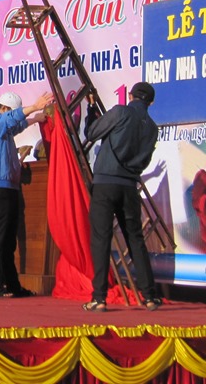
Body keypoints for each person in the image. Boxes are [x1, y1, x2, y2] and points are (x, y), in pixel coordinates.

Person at [83, 81, 162, 312]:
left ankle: (99, 298)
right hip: (129, 186)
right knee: (135, 239)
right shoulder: (152, 128)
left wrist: (91, 110)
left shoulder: (120, 112)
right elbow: (145, 161)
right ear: (151, 102)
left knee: (101, 238)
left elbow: (91, 133)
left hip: (105, 182)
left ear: (130, 96)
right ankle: (149, 296)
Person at [0, 90, 53, 297]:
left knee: (9, 239)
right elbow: (10, 120)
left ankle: (11, 283)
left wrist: (34, 119)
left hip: (10, 186)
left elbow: (16, 125)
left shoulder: (3, 127)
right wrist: (33, 107)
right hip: (0, 187)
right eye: (11, 112)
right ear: (3, 108)